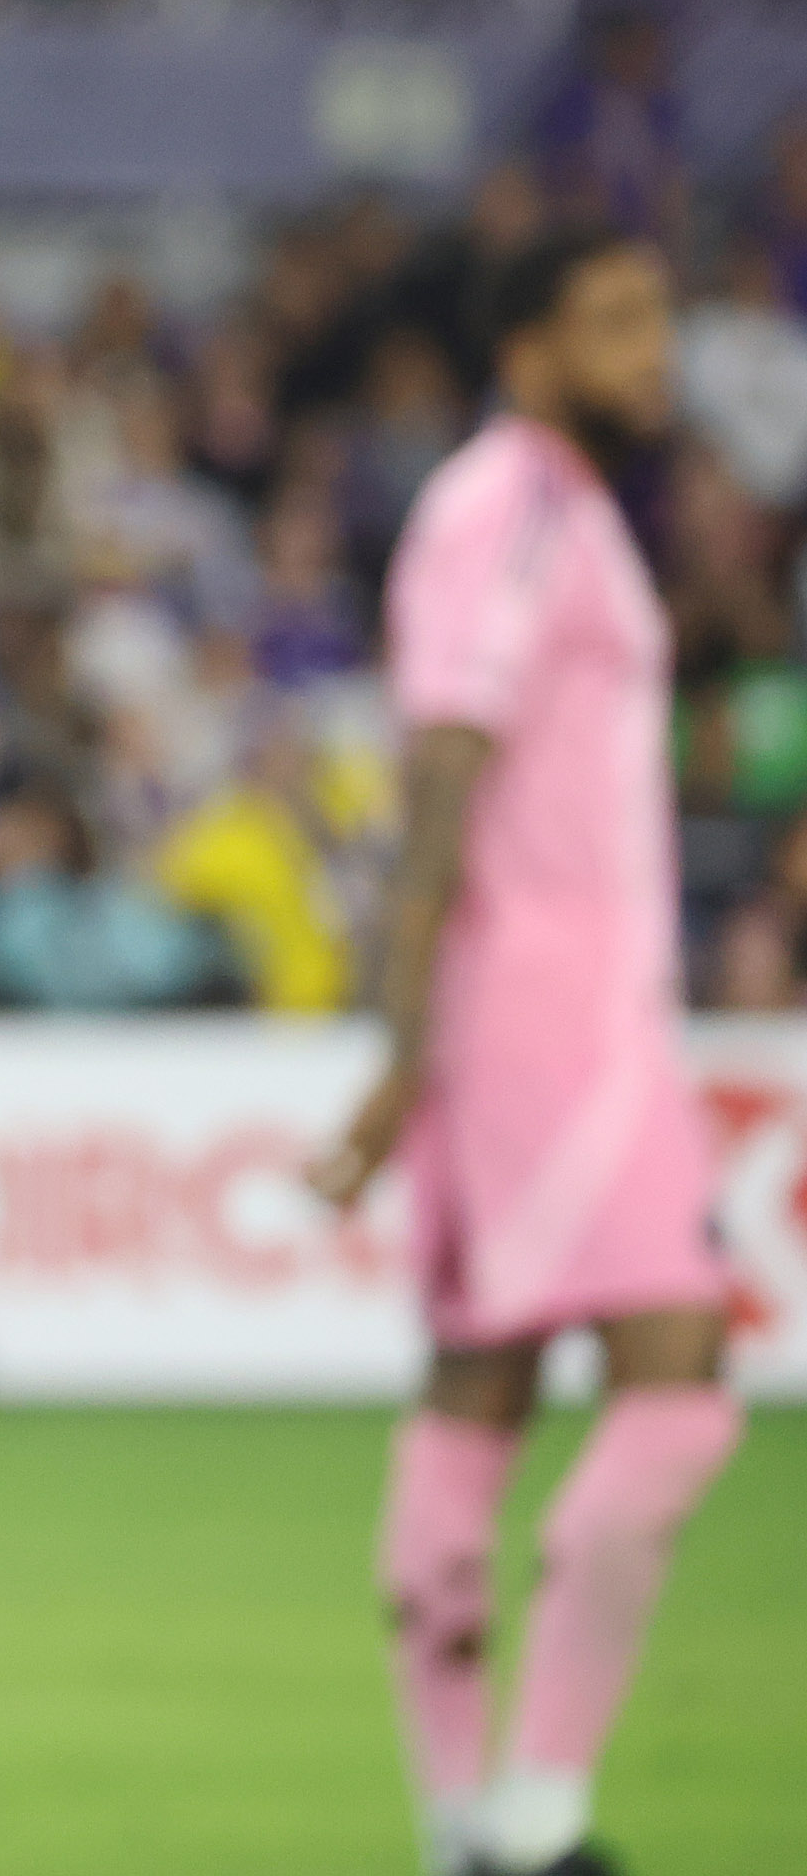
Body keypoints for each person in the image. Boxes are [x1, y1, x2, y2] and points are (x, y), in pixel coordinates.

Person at [312, 227, 742, 1876]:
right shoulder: (497, 507)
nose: (656, 351)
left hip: (577, 1006)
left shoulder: (572, 511)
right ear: (526, 347)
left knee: (480, 1392)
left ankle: (458, 1829)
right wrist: (405, 1043)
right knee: (677, 1385)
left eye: (661, 317)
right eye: (616, 322)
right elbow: (441, 768)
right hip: (540, 1016)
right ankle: (539, 1814)